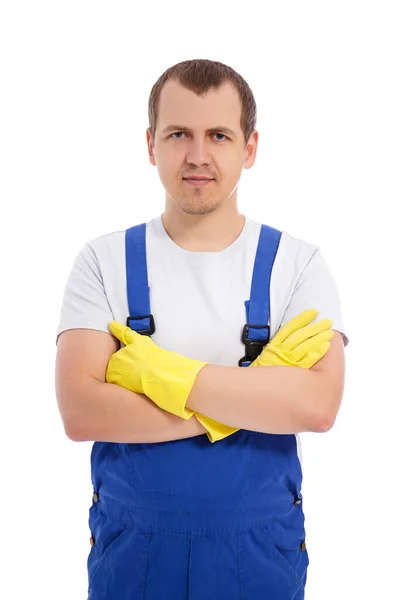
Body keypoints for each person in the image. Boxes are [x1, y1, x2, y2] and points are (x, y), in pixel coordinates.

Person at [55, 59, 348, 600]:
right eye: (178, 134)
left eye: (218, 134)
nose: (197, 155)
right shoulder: (103, 261)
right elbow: (80, 410)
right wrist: (255, 391)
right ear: (150, 145)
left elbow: (317, 407)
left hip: (260, 555)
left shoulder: (299, 264)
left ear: (250, 147)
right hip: (134, 555)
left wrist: (158, 374)